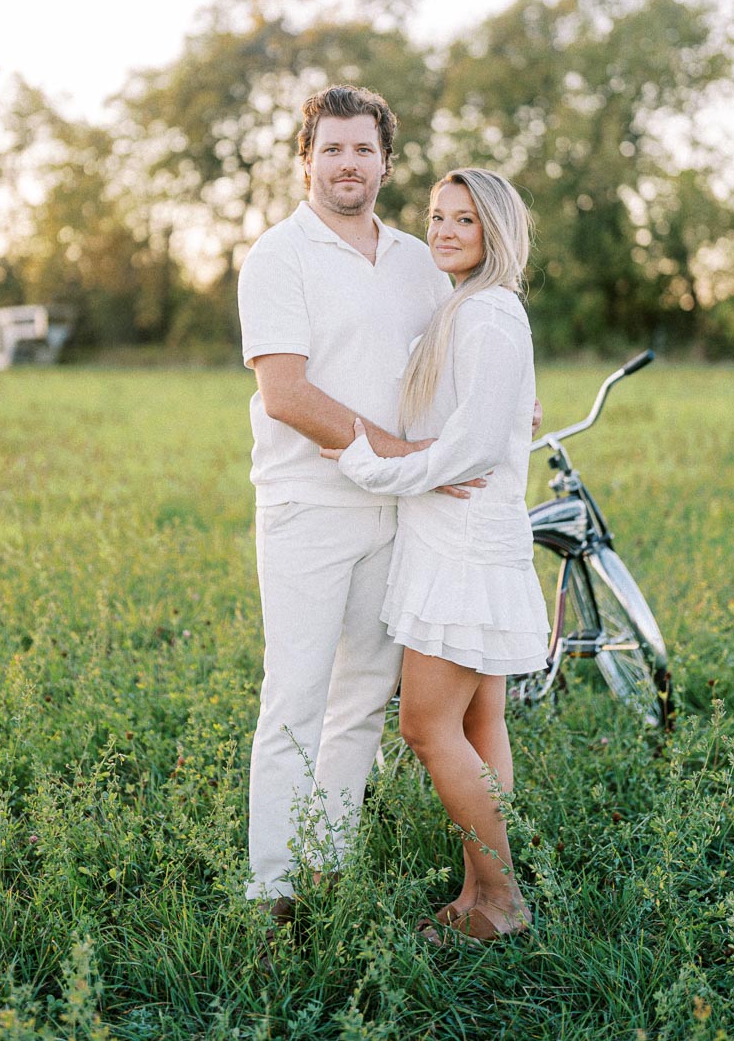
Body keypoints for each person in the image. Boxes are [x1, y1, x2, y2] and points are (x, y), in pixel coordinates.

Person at [236, 87, 541, 947]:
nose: (348, 165)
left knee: (363, 703)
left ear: (385, 163)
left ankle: (324, 866)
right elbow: (285, 393)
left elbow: (466, 336)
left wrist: (513, 394)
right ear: (307, 160)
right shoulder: (278, 257)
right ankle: (273, 892)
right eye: (332, 150)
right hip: (310, 506)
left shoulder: (415, 257)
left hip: (404, 516)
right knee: (294, 696)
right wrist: (405, 461)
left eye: (363, 151)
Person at [320, 168, 550, 942]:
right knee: (481, 726)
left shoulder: (488, 314)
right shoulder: (468, 309)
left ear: (496, 232)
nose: (445, 231)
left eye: (464, 220)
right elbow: (484, 415)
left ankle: (505, 900)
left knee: (424, 727)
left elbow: (473, 447)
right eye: (437, 217)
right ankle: (479, 893)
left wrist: (372, 467)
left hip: (464, 548)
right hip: (459, 540)